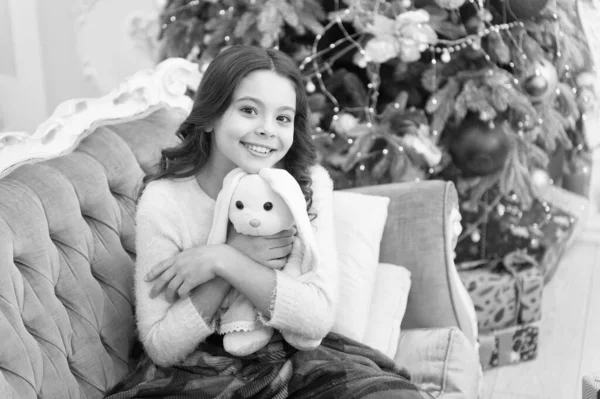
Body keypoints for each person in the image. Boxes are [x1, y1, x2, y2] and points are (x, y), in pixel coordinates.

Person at [105, 45, 432, 399]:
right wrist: (229, 257)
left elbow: (316, 318)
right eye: (248, 110)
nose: (267, 130)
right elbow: (160, 344)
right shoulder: (166, 201)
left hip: (294, 358)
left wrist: (226, 260)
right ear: (212, 116)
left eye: (283, 118)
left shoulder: (307, 184)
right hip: (200, 372)